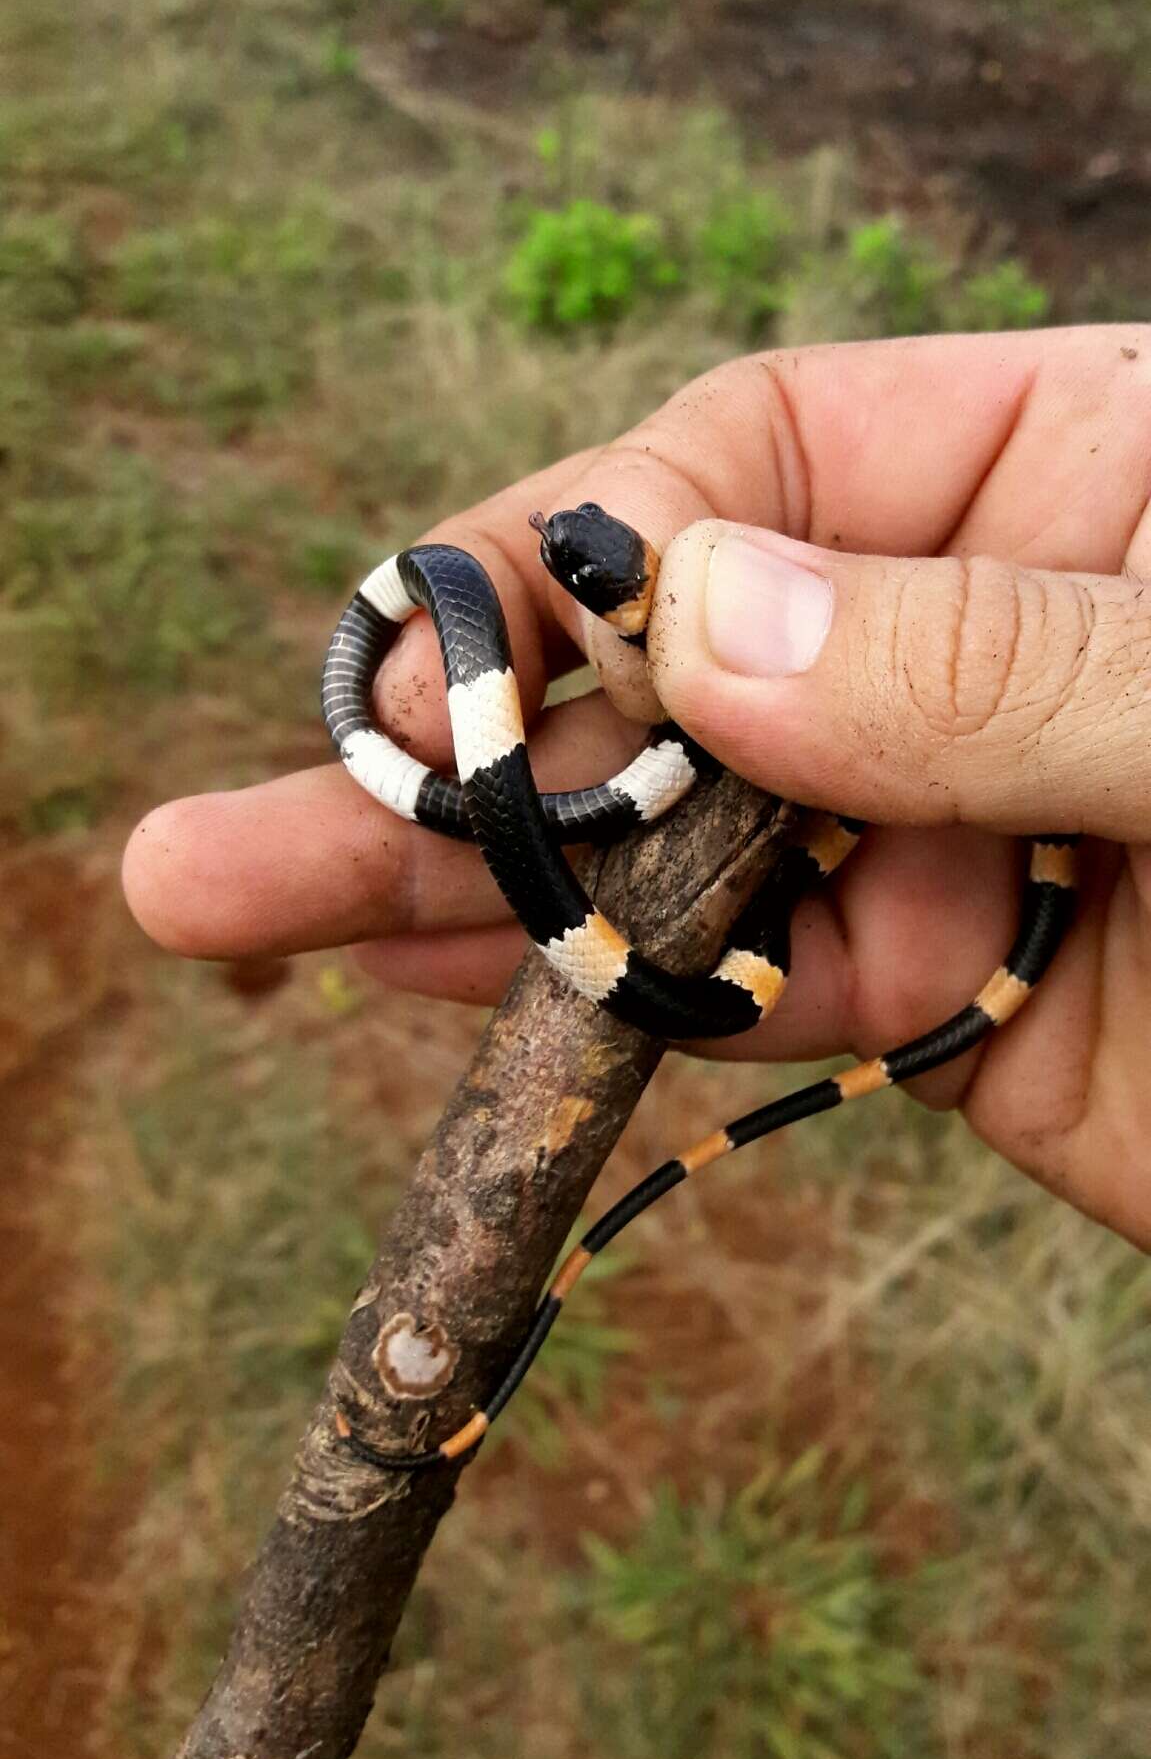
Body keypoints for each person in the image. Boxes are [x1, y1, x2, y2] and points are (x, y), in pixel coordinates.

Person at [122, 326, 1151, 1242]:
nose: (560, 539)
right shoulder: (663, 715)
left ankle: (1026, 870)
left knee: (588, 802)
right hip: (714, 834)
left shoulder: (704, 699)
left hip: (819, 839)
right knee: (561, 776)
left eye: (585, 571)